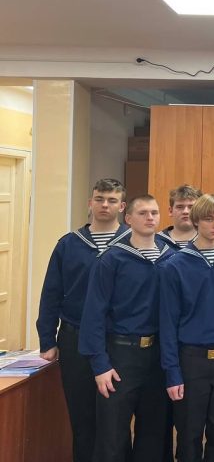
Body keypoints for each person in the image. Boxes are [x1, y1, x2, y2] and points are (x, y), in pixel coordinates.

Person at [36, 178, 129, 462]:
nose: (105, 205)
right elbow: (51, 293)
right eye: (99, 199)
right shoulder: (69, 244)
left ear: (122, 206)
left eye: (112, 200)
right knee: (82, 417)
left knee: (116, 420)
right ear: (90, 202)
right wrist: (47, 339)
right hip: (74, 337)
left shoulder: (133, 243)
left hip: (118, 341)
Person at [78, 195, 173, 462]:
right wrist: (100, 365)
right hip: (121, 356)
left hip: (158, 355)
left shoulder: (170, 257)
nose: (150, 217)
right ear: (128, 219)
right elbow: (93, 314)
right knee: (112, 434)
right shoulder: (111, 259)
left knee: (154, 432)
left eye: (154, 212)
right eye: (142, 213)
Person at [158, 193, 214, 462]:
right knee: (189, 432)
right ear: (196, 220)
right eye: (209, 219)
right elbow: (168, 322)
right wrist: (172, 372)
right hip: (191, 359)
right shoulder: (174, 265)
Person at [157, 184, 202, 250]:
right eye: (180, 207)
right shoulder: (155, 241)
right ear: (170, 211)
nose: (186, 211)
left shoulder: (210, 241)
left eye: (191, 207)